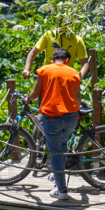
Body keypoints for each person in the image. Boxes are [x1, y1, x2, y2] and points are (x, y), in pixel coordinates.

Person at [23, 48, 81, 200]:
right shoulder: (74, 73)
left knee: (55, 154)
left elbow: (35, 95)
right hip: (71, 118)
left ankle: (62, 191)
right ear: (67, 61)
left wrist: (28, 100)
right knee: (61, 146)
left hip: (52, 118)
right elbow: (77, 96)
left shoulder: (44, 70)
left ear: (52, 60)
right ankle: (57, 177)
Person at [22, 18, 89, 81]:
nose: (65, 26)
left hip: (67, 78)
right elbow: (33, 53)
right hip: (46, 76)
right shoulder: (49, 35)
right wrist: (26, 70)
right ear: (59, 23)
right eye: (63, 23)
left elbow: (85, 63)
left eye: (68, 24)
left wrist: (79, 77)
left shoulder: (77, 40)